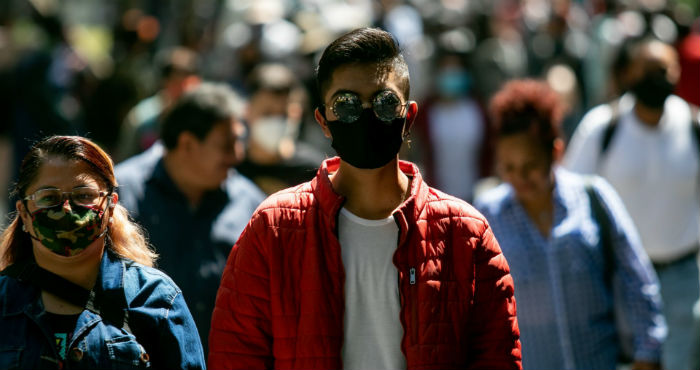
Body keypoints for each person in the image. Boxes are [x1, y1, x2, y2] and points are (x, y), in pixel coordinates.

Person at [208, 27, 521, 370]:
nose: (366, 115)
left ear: (409, 117)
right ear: (323, 121)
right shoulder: (273, 229)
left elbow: (498, 357)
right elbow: (235, 356)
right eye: (346, 105)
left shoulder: (465, 234)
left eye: (385, 103)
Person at [475, 79, 666, 370]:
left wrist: (648, 353)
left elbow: (637, 280)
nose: (520, 178)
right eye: (509, 168)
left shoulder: (594, 197)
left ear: (555, 152)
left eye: (531, 166)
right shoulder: (488, 215)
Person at [0, 135, 205, 369]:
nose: (66, 210)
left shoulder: (155, 298)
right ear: (24, 213)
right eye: (49, 197)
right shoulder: (4, 301)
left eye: (83, 196)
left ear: (110, 206)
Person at [563, 38, 700, 370]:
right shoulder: (601, 128)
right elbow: (568, 195)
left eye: (663, 70)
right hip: (618, 277)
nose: (656, 78)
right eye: (647, 71)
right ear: (629, 76)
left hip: (682, 276)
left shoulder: (694, 126)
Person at [115, 82, 265, 351]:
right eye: (227, 145)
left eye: (239, 142)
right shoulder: (122, 196)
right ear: (187, 144)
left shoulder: (250, 202)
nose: (237, 155)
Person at [235, 63, 325, 194]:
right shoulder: (231, 167)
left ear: (297, 113)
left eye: (283, 115)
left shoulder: (315, 172)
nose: (276, 122)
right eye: (267, 114)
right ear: (247, 111)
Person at [114, 46, 201, 162]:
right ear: (165, 82)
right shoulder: (142, 119)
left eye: (189, 84)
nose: (185, 90)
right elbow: (126, 158)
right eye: (178, 84)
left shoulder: (204, 120)